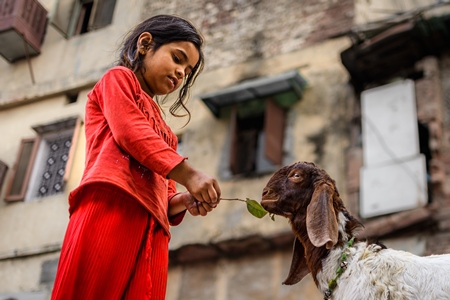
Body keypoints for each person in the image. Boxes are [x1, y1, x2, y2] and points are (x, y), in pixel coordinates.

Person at [51, 15, 221, 300]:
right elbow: (130, 133)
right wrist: (190, 175)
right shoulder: (117, 80)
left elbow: (165, 199)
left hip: (153, 229)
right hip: (111, 203)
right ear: (145, 44)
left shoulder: (167, 135)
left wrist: (186, 200)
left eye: (187, 71)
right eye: (177, 58)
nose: (181, 73)